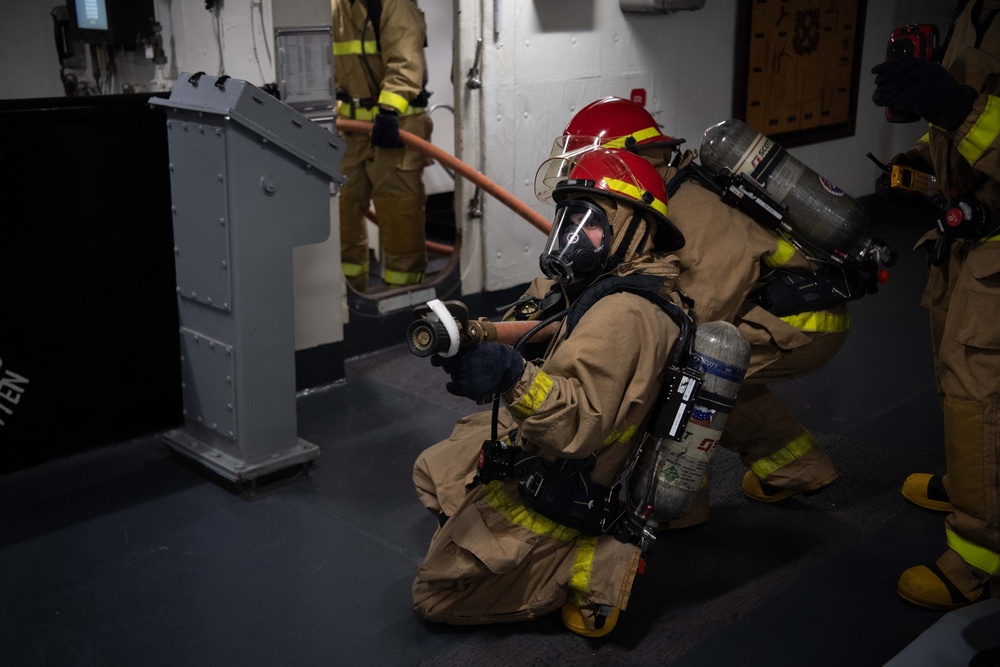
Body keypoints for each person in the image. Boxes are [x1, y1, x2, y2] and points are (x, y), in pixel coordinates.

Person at [411, 147, 689, 637]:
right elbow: (547, 334)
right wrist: (480, 342)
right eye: (568, 218)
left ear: (635, 230)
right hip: (541, 453)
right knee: (433, 468)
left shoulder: (625, 313)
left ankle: (594, 561)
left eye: (592, 222)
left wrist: (510, 375)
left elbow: (579, 423)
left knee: (433, 597)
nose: (574, 236)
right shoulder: (607, 286)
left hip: (568, 483)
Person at [549, 97, 848, 513]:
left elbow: (701, 312)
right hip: (761, 308)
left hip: (805, 318)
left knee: (682, 371)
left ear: (631, 158)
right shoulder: (660, 193)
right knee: (708, 372)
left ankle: (680, 505)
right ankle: (799, 468)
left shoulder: (697, 211)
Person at [871, 0, 1000, 610]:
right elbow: (957, 127)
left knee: (981, 396)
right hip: (964, 243)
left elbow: (975, 114)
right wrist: (918, 164)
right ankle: (972, 483)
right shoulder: (974, 11)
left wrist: (958, 107)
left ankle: (981, 556)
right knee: (959, 388)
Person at [332, 0, 432, 292]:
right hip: (350, 132)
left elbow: (405, 61)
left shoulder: (393, 5)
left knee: (399, 218)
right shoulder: (336, 7)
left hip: (396, 129)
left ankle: (404, 300)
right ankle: (351, 295)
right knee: (344, 216)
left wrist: (388, 111)